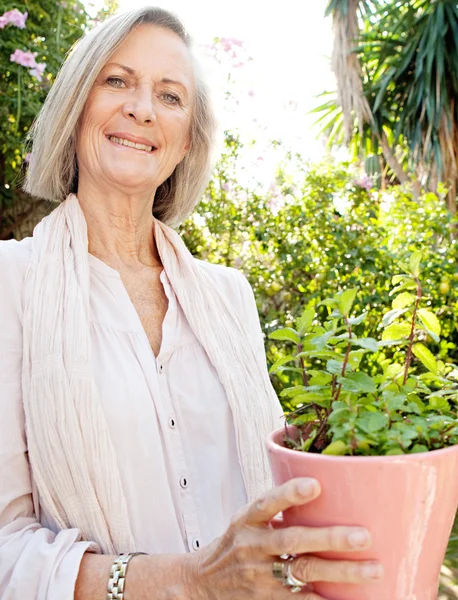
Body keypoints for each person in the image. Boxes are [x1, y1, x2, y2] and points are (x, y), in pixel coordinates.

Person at [0, 7, 383, 599]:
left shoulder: (229, 297)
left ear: (185, 144)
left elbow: (268, 494)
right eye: (117, 80)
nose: (142, 108)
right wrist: (189, 581)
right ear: (77, 106)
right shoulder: (12, 284)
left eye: (170, 96)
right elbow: (5, 548)